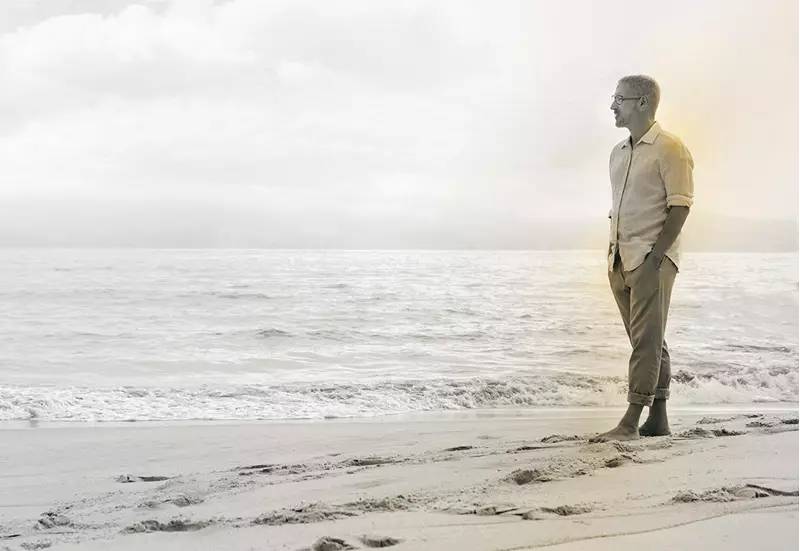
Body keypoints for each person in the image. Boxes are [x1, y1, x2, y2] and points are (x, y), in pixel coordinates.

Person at [591, 75, 694, 443]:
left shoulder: (671, 148)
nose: (613, 105)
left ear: (643, 103)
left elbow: (680, 206)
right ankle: (659, 418)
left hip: (652, 259)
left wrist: (656, 258)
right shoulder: (617, 152)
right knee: (649, 341)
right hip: (619, 259)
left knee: (646, 343)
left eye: (619, 98)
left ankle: (631, 421)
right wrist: (614, 257)